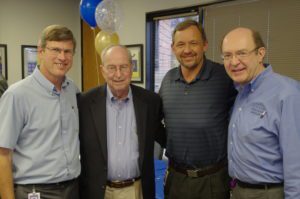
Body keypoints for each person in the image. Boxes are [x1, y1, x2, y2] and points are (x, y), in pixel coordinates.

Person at [0, 25, 80, 199]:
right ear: (41, 51)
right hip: (36, 192)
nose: (62, 57)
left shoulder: (72, 90)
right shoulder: (16, 95)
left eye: (68, 51)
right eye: (56, 50)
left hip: (73, 188)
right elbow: (2, 155)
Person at [159, 19, 237, 199]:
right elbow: (157, 122)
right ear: (173, 48)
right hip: (176, 179)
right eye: (180, 44)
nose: (187, 50)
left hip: (213, 180)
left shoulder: (224, 77)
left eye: (193, 43)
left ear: (205, 45)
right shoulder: (168, 80)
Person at [78, 45, 165, 199]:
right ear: (102, 70)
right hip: (98, 192)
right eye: (111, 67)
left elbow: (164, 136)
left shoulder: (151, 102)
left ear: (132, 68)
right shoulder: (84, 103)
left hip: (136, 191)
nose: (118, 74)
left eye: (123, 67)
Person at [221, 27, 300, 199]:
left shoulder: (288, 94)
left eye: (242, 53)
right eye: (227, 55)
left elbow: (296, 163)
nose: (234, 62)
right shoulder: (241, 91)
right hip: (237, 190)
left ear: (260, 53)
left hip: (269, 193)